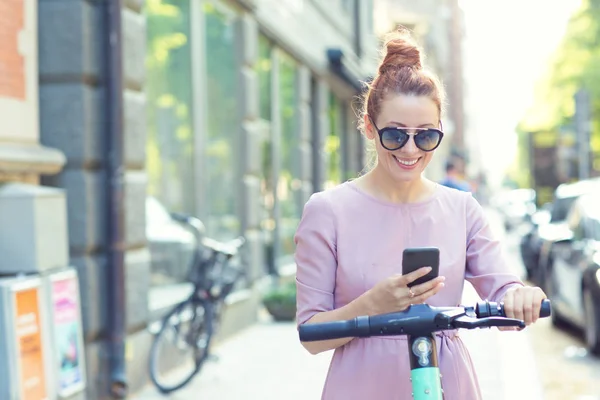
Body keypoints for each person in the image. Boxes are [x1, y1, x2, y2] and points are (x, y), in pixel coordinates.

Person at [294, 29, 547, 400]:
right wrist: (373, 305)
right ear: (369, 127)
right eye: (395, 135)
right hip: (361, 387)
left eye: (425, 136)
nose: (410, 149)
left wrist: (521, 297)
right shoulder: (327, 211)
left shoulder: (461, 208)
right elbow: (311, 334)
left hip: (448, 383)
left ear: (440, 131)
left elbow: (504, 286)